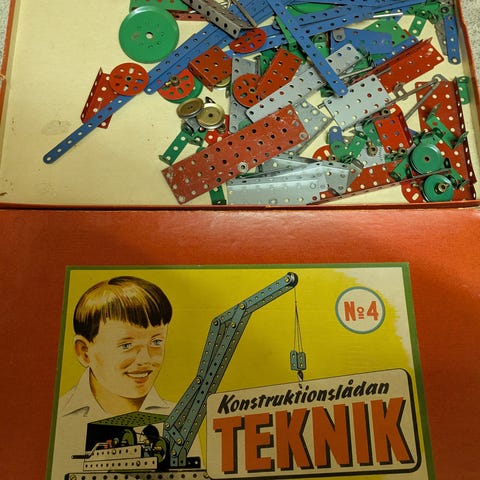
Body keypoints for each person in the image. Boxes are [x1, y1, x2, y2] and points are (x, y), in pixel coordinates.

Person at [49, 276, 202, 480]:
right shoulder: (57, 420)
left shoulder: (181, 422)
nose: (145, 359)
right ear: (84, 352)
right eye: (126, 345)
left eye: (156, 342)